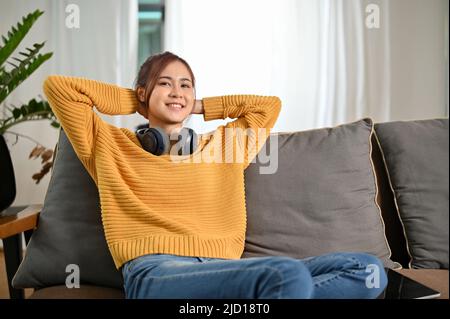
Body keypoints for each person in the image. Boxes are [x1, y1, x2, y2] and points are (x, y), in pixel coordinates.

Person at [43, 51, 387, 299]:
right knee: (286, 275)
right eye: (165, 83)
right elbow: (59, 88)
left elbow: (267, 106)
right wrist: (140, 99)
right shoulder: (109, 144)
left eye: (185, 85)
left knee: (369, 272)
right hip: (156, 272)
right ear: (144, 93)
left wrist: (198, 105)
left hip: (225, 269)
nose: (177, 91)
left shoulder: (223, 145)